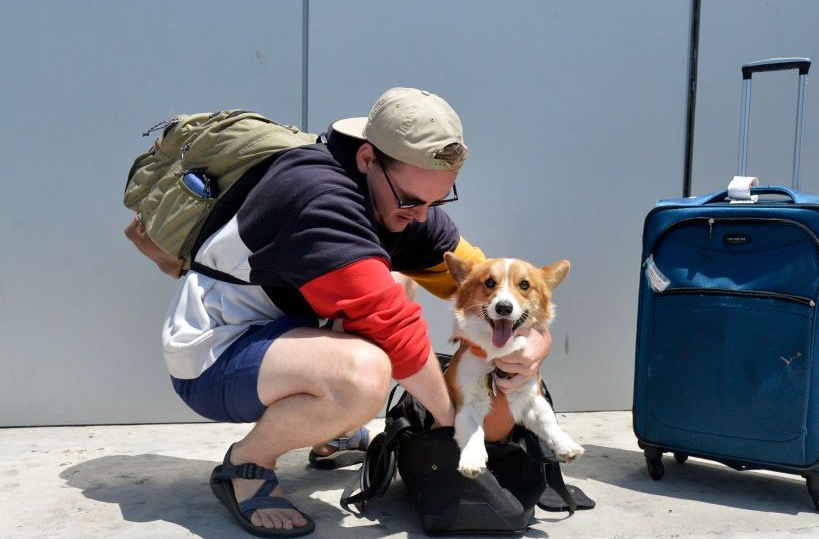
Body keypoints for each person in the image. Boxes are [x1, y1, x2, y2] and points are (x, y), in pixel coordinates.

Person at [155, 88, 552, 537]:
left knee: (398, 282)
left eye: (436, 202)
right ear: (367, 158)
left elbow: (476, 282)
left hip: (287, 335)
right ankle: (247, 464)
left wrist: (535, 336)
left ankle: (333, 431)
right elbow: (393, 329)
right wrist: (455, 428)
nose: (422, 218)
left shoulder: (400, 200)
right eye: (411, 202)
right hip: (215, 353)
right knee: (364, 374)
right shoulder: (316, 198)